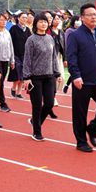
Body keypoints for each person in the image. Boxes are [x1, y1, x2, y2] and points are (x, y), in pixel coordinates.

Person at [65, 3, 96, 153]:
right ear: (82, 17)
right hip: (82, 81)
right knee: (80, 113)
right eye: (89, 15)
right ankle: (81, 141)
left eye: (95, 14)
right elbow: (71, 58)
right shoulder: (75, 35)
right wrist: (76, 76)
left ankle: (92, 129)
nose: (93, 17)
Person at [23, 12, 61, 141]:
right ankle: (37, 132)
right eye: (41, 21)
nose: (44, 24)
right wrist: (26, 77)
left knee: (49, 103)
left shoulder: (50, 38)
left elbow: (54, 57)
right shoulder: (31, 40)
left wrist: (57, 73)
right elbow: (27, 59)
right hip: (35, 77)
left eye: (45, 21)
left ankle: (35, 121)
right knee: (37, 105)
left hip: (49, 76)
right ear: (36, 24)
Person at [0, 13, 14, 113]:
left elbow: (11, 46)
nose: (4, 22)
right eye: (1, 20)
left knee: (0, 83)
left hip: (5, 60)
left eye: (5, 20)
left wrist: (12, 60)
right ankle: (2, 103)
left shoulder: (7, 32)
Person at [9, 11, 32, 99]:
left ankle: (19, 92)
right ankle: (13, 88)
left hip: (25, 55)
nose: (25, 19)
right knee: (17, 73)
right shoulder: (13, 28)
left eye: (26, 17)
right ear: (18, 18)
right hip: (15, 54)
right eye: (23, 17)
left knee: (23, 74)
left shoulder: (27, 30)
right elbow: (10, 42)